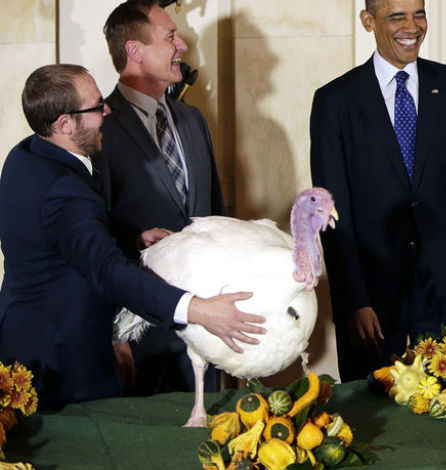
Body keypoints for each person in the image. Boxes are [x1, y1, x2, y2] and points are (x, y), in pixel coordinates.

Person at [0, 64, 264, 409]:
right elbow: (107, 271)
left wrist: (133, 239)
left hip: (24, 342)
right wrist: (197, 310)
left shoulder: (26, 154)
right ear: (64, 124)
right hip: (66, 364)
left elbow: (66, 241)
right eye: (96, 107)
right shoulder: (64, 188)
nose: (107, 110)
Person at [310, 0, 446, 381]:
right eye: (397, 17)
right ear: (368, 20)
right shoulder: (334, 101)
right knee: (371, 414)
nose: (412, 27)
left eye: (419, 14)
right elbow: (331, 214)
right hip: (372, 295)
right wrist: (354, 300)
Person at [96, 0, 225, 395]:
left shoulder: (193, 120)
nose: (181, 47)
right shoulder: (99, 128)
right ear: (134, 51)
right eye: (170, 37)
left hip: (208, 330)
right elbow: (93, 238)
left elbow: (216, 216)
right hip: (141, 335)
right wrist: (113, 331)